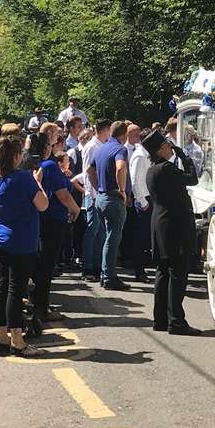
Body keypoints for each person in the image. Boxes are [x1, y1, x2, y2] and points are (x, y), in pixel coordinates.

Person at [0, 137, 48, 356]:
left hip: (0, 237)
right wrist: (37, 182)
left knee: (1, 287)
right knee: (16, 289)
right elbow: (43, 205)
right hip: (22, 240)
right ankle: (18, 340)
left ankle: (3, 337)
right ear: (15, 156)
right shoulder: (23, 178)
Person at [143, 131, 202, 334]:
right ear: (161, 149)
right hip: (174, 225)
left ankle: (160, 319)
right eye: (168, 145)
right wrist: (185, 157)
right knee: (177, 273)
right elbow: (192, 178)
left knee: (163, 272)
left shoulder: (152, 170)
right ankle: (176, 320)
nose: (171, 147)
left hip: (160, 224)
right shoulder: (166, 169)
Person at [36, 141, 79, 323]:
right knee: (46, 266)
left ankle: (40, 305)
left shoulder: (41, 166)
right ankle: (42, 307)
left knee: (42, 266)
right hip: (53, 220)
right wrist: (75, 208)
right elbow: (62, 194)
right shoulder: (49, 166)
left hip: (42, 220)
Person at [92, 120, 131, 290]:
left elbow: (89, 170)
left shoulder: (102, 148)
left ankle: (104, 273)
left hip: (101, 197)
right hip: (113, 199)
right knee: (113, 239)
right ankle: (109, 277)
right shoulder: (120, 149)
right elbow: (120, 167)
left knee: (108, 237)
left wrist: (98, 187)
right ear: (124, 134)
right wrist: (122, 190)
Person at [78, 119, 110, 283]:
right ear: (104, 130)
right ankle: (87, 267)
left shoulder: (100, 146)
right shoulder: (92, 147)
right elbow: (88, 172)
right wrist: (94, 193)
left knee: (100, 231)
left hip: (99, 193)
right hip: (93, 194)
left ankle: (97, 265)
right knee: (92, 229)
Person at [126, 124, 152, 283]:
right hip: (143, 200)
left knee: (145, 236)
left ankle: (143, 265)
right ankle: (139, 269)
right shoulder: (139, 156)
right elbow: (135, 181)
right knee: (140, 237)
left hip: (148, 198)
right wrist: (142, 202)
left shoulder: (145, 154)